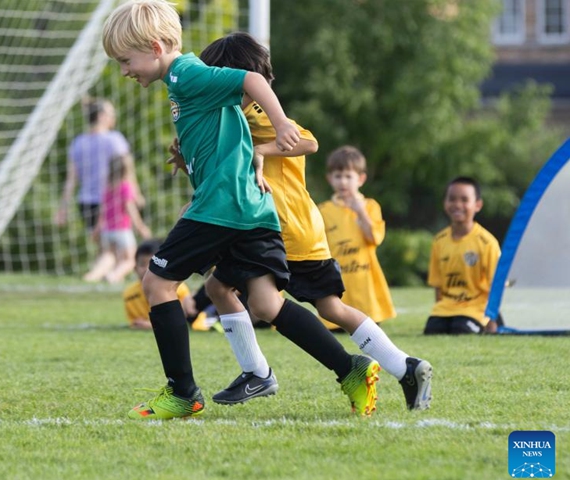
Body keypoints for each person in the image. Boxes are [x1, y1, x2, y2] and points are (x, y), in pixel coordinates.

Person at [102, 0, 318, 420]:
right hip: (233, 206)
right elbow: (223, 138)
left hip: (223, 207)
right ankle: (349, 367)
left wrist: (284, 124)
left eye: (126, 61)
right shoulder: (178, 80)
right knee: (262, 302)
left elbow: (252, 78)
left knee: (158, 282)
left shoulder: (184, 72)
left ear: (155, 46)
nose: (125, 71)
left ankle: (183, 391)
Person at [196, 32, 432, 412]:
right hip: (302, 228)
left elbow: (309, 142)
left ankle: (264, 373)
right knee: (327, 308)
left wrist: (261, 150)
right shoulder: (236, 115)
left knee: (252, 300)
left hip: (282, 227)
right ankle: (404, 366)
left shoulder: (254, 113)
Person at [54, 98, 144, 276]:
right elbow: (127, 170)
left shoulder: (78, 142)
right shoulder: (114, 139)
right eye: (112, 114)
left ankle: (99, 280)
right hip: (113, 201)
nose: (114, 118)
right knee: (117, 253)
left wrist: (63, 208)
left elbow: (71, 180)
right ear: (102, 116)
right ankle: (96, 278)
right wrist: (136, 194)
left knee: (105, 251)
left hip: (86, 203)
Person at [318, 146, 396, 329]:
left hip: (365, 279)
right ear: (329, 179)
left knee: (369, 327)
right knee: (337, 322)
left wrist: (360, 211)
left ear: (361, 179)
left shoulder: (370, 206)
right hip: (338, 278)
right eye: (338, 176)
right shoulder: (324, 210)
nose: (343, 182)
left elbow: (374, 238)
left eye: (348, 176)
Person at [424, 176, 501, 335]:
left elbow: (496, 285)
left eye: (464, 200)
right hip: (446, 308)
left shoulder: (487, 243)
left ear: (477, 205)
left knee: (461, 329)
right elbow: (438, 285)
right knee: (432, 331)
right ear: (445, 203)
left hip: (474, 308)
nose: (457, 205)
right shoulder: (439, 241)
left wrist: (493, 321)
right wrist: (439, 309)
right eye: (452, 199)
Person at [123, 239, 218, 331]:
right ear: (135, 268)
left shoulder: (176, 287)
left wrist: (152, 325)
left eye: (151, 264)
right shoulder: (130, 294)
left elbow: (188, 311)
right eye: (142, 265)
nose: (147, 269)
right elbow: (136, 322)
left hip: (194, 322)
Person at [84, 155, 152, 283]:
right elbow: (129, 208)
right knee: (130, 259)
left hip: (107, 230)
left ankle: (92, 276)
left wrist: (97, 229)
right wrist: (140, 227)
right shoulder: (125, 186)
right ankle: (112, 277)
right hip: (122, 229)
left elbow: (102, 211)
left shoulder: (108, 188)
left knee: (109, 257)